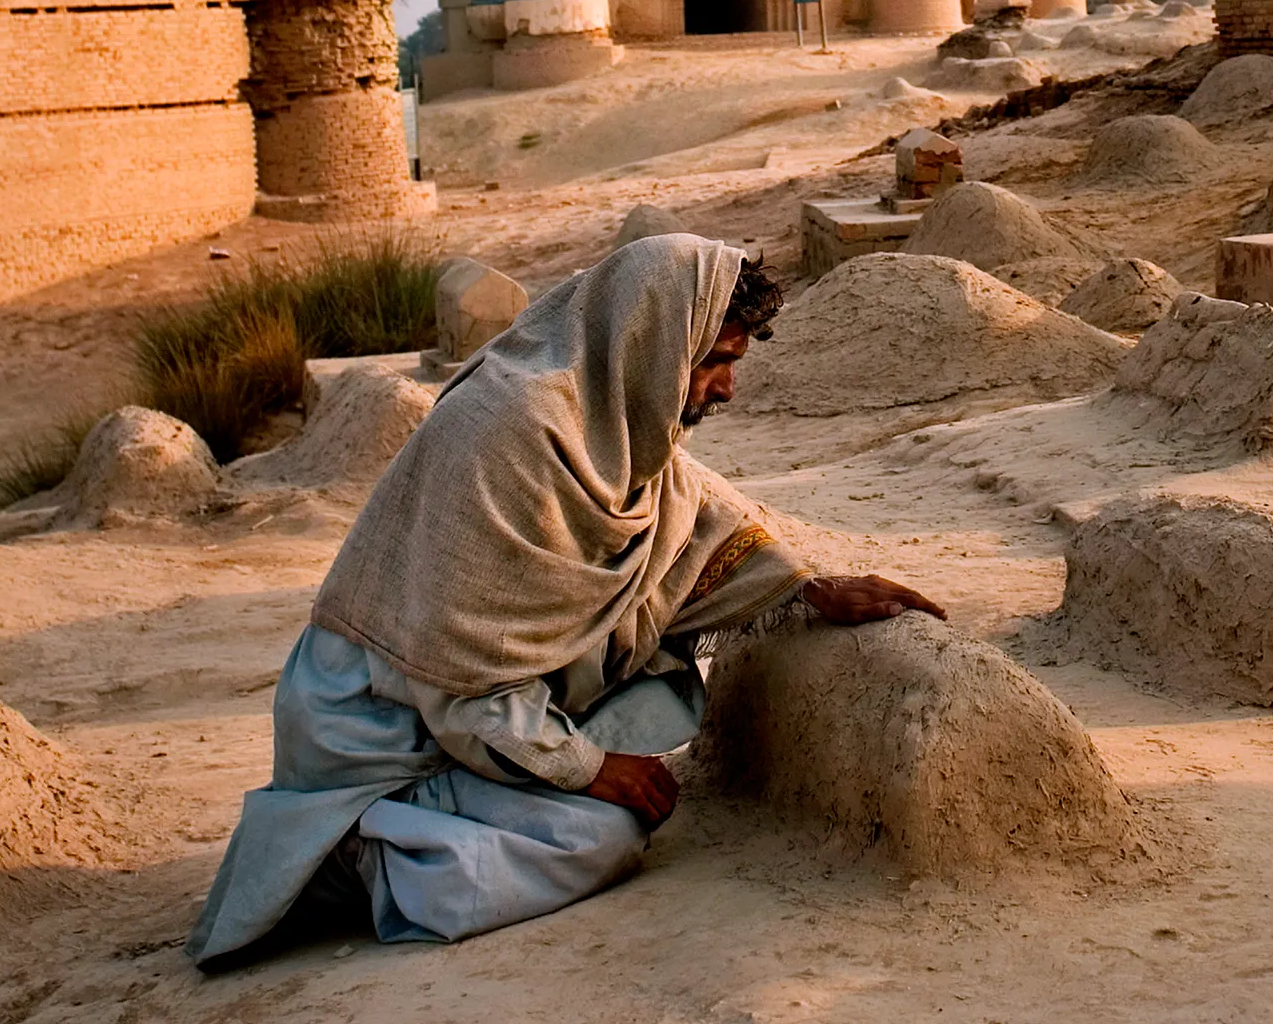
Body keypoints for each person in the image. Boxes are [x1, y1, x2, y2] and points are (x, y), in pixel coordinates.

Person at [189, 232, 941, 962]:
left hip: (464, 708)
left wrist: (807, 589)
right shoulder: (507, 437)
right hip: (381, 732)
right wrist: (590, 768)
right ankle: (350, 856)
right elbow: (463, 677)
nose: (727, 387)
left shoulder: (611, 419)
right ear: (654, 343)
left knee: (644, 715)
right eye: (714, 361)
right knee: (603, 834)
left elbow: (693, 529)